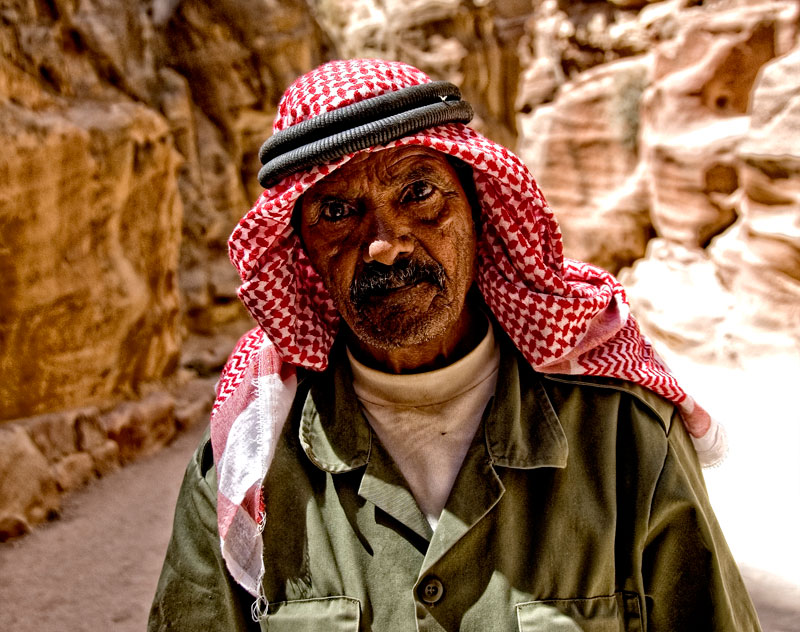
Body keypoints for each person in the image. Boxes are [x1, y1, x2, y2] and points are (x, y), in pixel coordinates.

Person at [148, 59, 760, 631]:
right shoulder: (249, 464)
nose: (386, 243)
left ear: (478, 210)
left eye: (418, 194)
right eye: (338, 211)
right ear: (302, 250)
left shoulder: (625, 437)